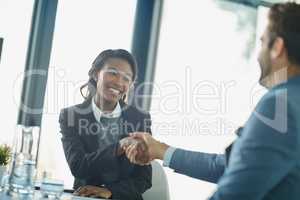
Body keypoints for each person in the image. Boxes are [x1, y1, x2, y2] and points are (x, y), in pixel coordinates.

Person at [124, 2, 300, 200]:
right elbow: (232, 167)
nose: (259, 55)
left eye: (262, 42)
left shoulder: (280, 107)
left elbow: (234, 193)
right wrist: (162, 151)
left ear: (277, 47)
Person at [59, 49, 152, 200]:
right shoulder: (71, 116)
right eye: (113, 73)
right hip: (85, 197)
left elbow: (144, 179)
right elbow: (79, 167)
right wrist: (119, 147)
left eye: (126, 78)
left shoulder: (139, 118)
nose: (119, 82)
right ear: (96, 74)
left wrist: (110, 191)